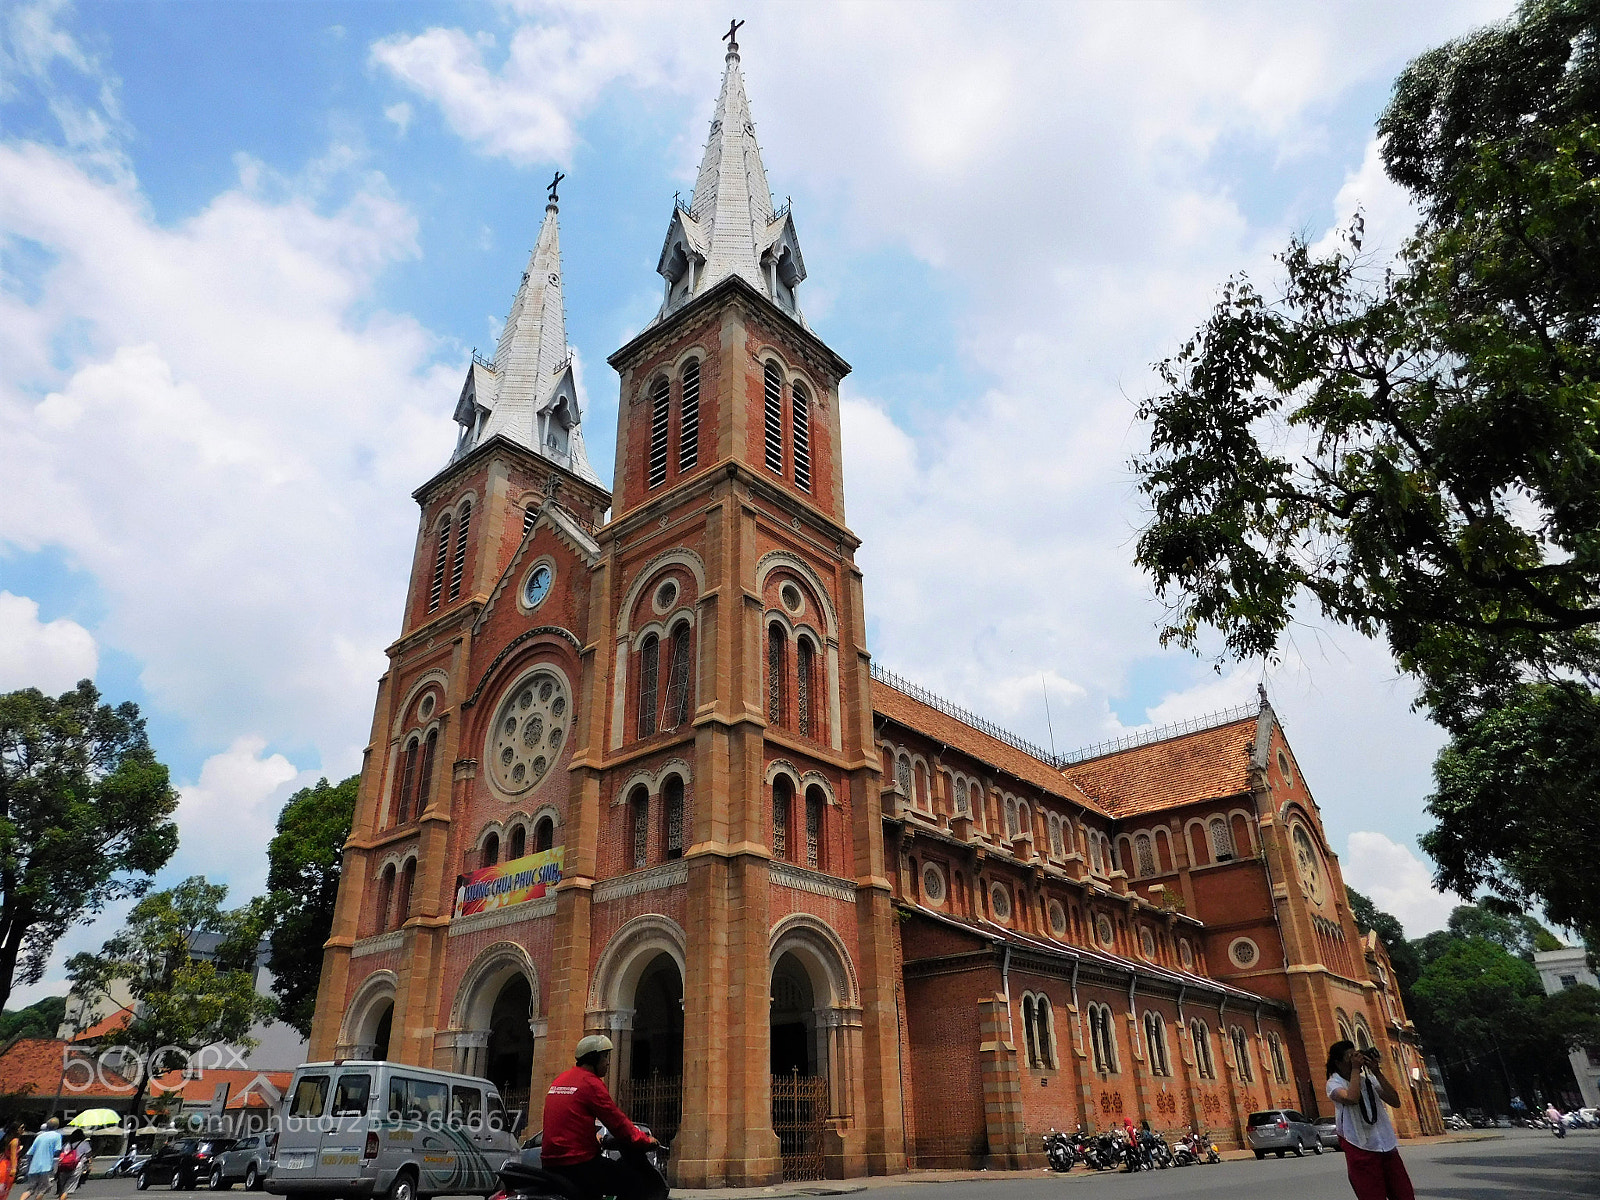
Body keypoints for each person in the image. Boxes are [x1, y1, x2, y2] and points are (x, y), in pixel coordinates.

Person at [540, 1035, 659, 1200]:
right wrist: (644, 1140)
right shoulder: (590, 1083)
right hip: (577, 1163)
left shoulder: (561, 1080)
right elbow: (617, 1122)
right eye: (604, 1057)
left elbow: (568, 1119)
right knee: (635, 1182)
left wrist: (593, 1137)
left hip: (550, 1163)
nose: (608, 1062)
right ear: (593, 1059)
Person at [1326, 1041, 1413, 1200]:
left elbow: (1395, 1101)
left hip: (1386, 1145)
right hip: (1360, 1146)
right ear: (1338, 1063)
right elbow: (1352, 1098)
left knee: (1404, 1194)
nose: (1355, 1059)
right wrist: (1355, 1069)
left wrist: (1377, 1071)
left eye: (1356, 1054)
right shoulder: (1334, 1084)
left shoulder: (1369, 1080)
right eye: (1350, 1057)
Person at [18, 1120, 61, 1200]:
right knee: (44, 1188)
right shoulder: (57, 1136)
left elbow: (29, 1153)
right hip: (46, 1166)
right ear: (57, 1126)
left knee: (31, 1189)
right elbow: (57, 1150)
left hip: (34, 1167)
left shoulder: (39, 1136)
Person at [0, 1123, 21, 1200]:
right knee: (4, 1189)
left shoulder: (7, 1139)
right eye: (21, 1127)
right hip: (8, 1167)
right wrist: (14, 1168)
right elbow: (13, 1155)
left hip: (3, 1163)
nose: (22, 1130)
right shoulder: (15, 1141)